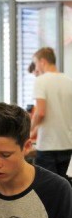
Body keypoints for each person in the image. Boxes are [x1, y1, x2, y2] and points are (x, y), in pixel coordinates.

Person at [31, 47, 72, 182]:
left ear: (42, 61)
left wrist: (28, 131)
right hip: (67, 144)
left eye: (36, 63)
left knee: (48, 192)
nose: (36, 67)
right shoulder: (68, 81)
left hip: (48, 146)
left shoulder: (41, 81)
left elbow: (41, 113)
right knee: (66, 191)